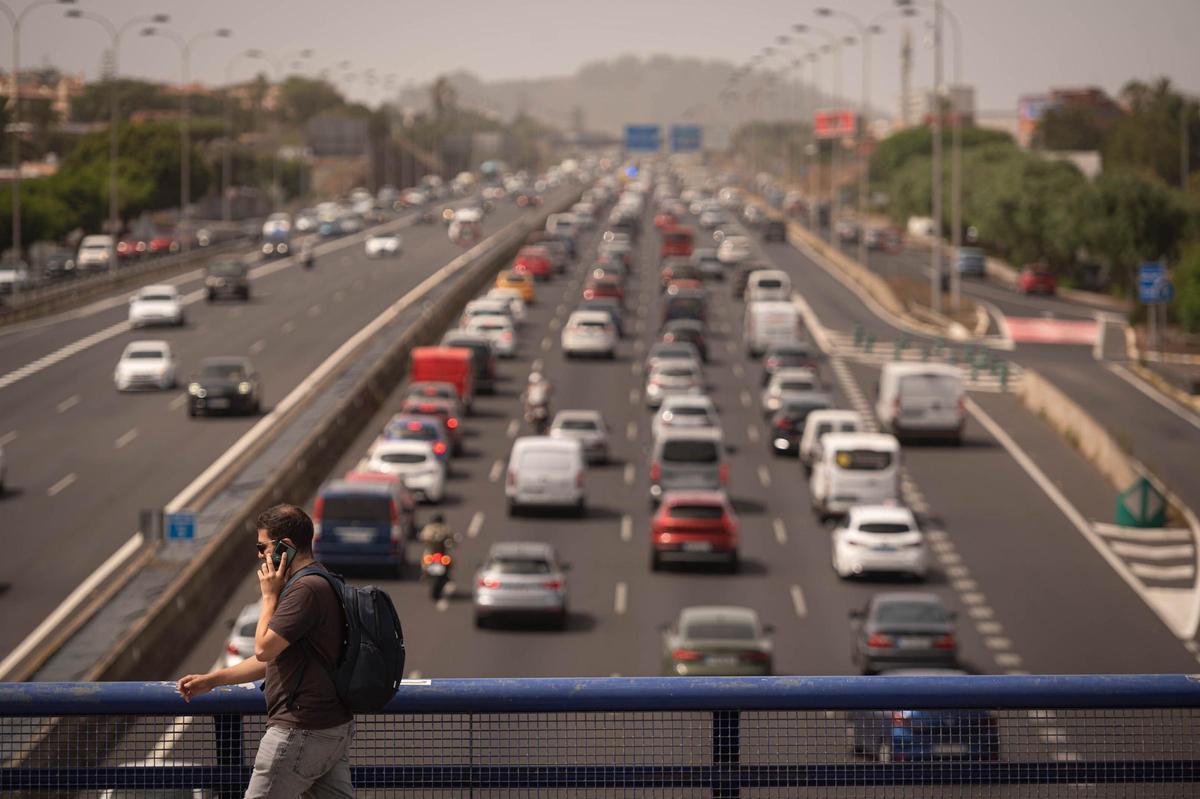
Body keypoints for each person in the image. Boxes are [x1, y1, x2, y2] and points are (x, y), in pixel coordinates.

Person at [176, 504, 354, 798]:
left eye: (263, 547)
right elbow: (274, 658)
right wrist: (213, 680)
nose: (259, 555)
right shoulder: (322, 579)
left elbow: (263, 649)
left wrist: (269, 597)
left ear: (285, 547)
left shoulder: (304, 590)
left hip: (300, 731)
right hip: (330, 729)